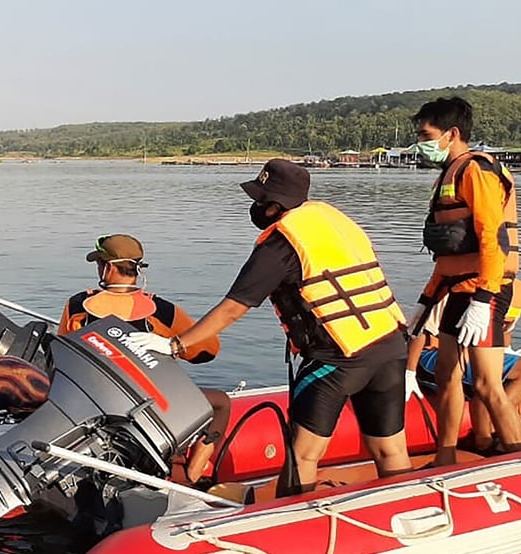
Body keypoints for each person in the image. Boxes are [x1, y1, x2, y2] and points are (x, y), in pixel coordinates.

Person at [127, 159, 412, 495]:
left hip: (337, 360)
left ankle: (294, 523)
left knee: (303, 454)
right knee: (390, 448)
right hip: (391, 346)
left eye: (260, 200)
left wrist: (175, 345)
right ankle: (406, 505)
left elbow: (234, 308)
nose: (255, 206)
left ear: (276, 205)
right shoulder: (331, 220)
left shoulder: (281, 243)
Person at [408, 97, 521, 466]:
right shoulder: (449, 174)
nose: (421, 142)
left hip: (484, 291)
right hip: (457, 289)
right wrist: (425, 302)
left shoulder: (476, 171)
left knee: (489, 385)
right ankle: (445, 458)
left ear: (451, 134)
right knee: (446, 374)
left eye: (426, 135)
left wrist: (483, 298)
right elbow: (449, 254)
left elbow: (492, 238)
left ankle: (520, 460)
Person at [58, 233, 227, 484]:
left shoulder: (78, 305)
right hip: (151, 405)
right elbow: (208, 351)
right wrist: (173, 348)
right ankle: (195, 469)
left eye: (99, 264)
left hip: (96, 403)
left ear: (109, 268)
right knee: (222, 402)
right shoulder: (163, 311)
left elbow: (63, 353)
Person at [407, 280, 521, 453]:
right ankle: (485, 438)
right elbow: (420, 330)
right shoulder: (460, 286)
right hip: (434, 352)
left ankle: (488, 431)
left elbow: (504, 330)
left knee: (519, 370)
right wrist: (409, 371)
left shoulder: (520, 290)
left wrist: (507, 354)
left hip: (476, 352)